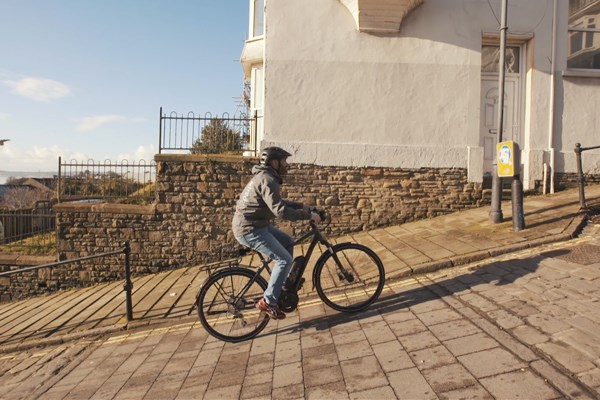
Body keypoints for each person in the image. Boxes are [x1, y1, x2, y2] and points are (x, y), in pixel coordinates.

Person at [232, 146, 321, 320]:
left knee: (287, 242)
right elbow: (280, 211)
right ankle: (269, 301)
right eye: (284, 161)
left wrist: (301, 206)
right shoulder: (267, 180)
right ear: (274, 162)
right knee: (284, 259)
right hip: (249, 228)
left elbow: (277, 202)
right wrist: (307, 215)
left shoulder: (265, 177)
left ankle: (283, 285)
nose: (286, 165)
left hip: (257, 224)